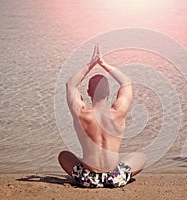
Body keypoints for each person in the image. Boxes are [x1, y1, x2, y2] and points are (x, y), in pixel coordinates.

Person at [58, 44, 146, 188]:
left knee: (63, 156)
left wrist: (91, 64)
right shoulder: (118, 112)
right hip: (115, 178)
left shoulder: (82, 113)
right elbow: (126, 82)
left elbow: (71, 85)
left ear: (88, 92)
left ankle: (87, 167)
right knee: (140, 157)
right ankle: (116, 173)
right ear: (109, 91)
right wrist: (104, 64)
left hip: (88, 179)